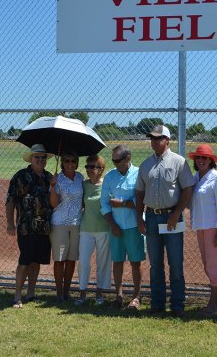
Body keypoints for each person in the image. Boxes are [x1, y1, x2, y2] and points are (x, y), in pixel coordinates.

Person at [136, 125, 194, 317]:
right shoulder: (145, 165)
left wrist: (177, 213)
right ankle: (157, 303)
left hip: (172, 217)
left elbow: (187, 189)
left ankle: (177, 304)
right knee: (155, 263)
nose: (154, 141)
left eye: (158, 138)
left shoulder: (179, 162)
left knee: (176, 263)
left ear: (167, 140)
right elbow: (139, 192)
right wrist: (140, 218)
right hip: (152, 216)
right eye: (152, 138)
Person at [5, 144, 54, 308]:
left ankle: (31, 293)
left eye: (42, 157)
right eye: (37, 157)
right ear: (31, 159)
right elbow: (10, 200)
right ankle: (17, 295)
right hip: (26, 226)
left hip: (45, 227)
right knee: (25, 261)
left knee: (36, 262)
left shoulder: (49, 178)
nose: (40, 160)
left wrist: (54, 185)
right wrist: (10, 223)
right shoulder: (20, 176)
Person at [101, 145, 145, 310]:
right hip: (116, 227)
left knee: (135, 262)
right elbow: (104, 203)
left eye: (118, 160)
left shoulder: (139, 174)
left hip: (134, 226)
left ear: (128, 158)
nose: (115, 163)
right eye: (113, 160)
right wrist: (113, 225)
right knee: (117, 261)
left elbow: (143, 200)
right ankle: (118, 296)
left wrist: (124, 203)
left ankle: (136, 297)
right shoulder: (109, 177)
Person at [188, 145, 217, 317]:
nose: (201, 160)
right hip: (201, 226)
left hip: (213, 227)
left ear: (211, 160)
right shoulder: (195, 177)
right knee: (207, 264)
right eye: (198, 157)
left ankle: (213, 304)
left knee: (212, 265)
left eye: (204, 158)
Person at [75, 155, 111, 306]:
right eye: (87, 167)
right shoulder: (83, 185)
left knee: (103, 262)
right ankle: (82, 292)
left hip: (104, 229)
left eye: (93, 167)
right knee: (83, 261)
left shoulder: (107, 185)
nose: (89, 170)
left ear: (101, 169)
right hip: (86, 229)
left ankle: (99, 293)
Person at [50, 151, 84, 303]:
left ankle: (66, 292)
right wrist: (52, 186)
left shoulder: (79, 177)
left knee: (71, 259)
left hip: (76, 224)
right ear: (62, 162)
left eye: (73, 161)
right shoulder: (57, 179)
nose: (70, 164)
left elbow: (82, 200)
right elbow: (54, 204)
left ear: (77, 163)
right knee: (60, 259)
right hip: (60, 223)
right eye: (67, 161)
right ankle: (59, 293)